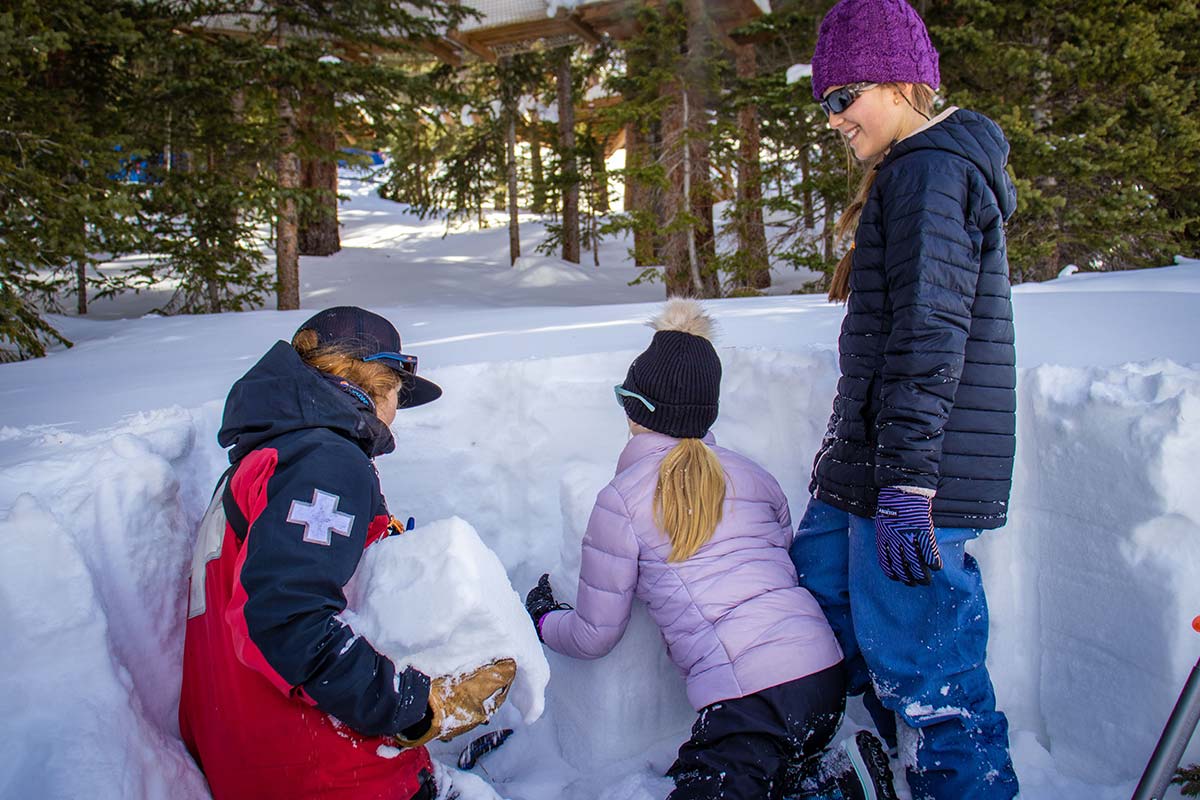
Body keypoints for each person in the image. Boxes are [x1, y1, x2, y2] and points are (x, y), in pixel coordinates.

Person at [524, 299, 899, 800]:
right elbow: (779, 562)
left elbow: (596, 634)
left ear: (637, 410)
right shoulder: (754, 475)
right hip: (821, 673)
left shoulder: (622, 501)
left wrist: (545, 618)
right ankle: (830, 778)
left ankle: (839, 784)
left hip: (751, 701)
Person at [789, 1, 1021, 798]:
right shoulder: (908, 172)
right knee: (820, 590)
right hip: (874, 461)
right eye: (824, 103)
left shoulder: (931, 171)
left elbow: (930, 335)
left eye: (841, 98)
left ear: (897, 81)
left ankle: (964, 782)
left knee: (925, 661)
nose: (833, 120)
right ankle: (864, 757)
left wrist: (910, 485)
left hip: (919, 471)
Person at [179, 306, 516, 800]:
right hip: (326, 775)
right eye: (398, 393)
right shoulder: (325, 460)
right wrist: (415, 708)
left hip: (252, 758)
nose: (397, 411)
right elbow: (286, 621)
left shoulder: (269, 458)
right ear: (376, 381)